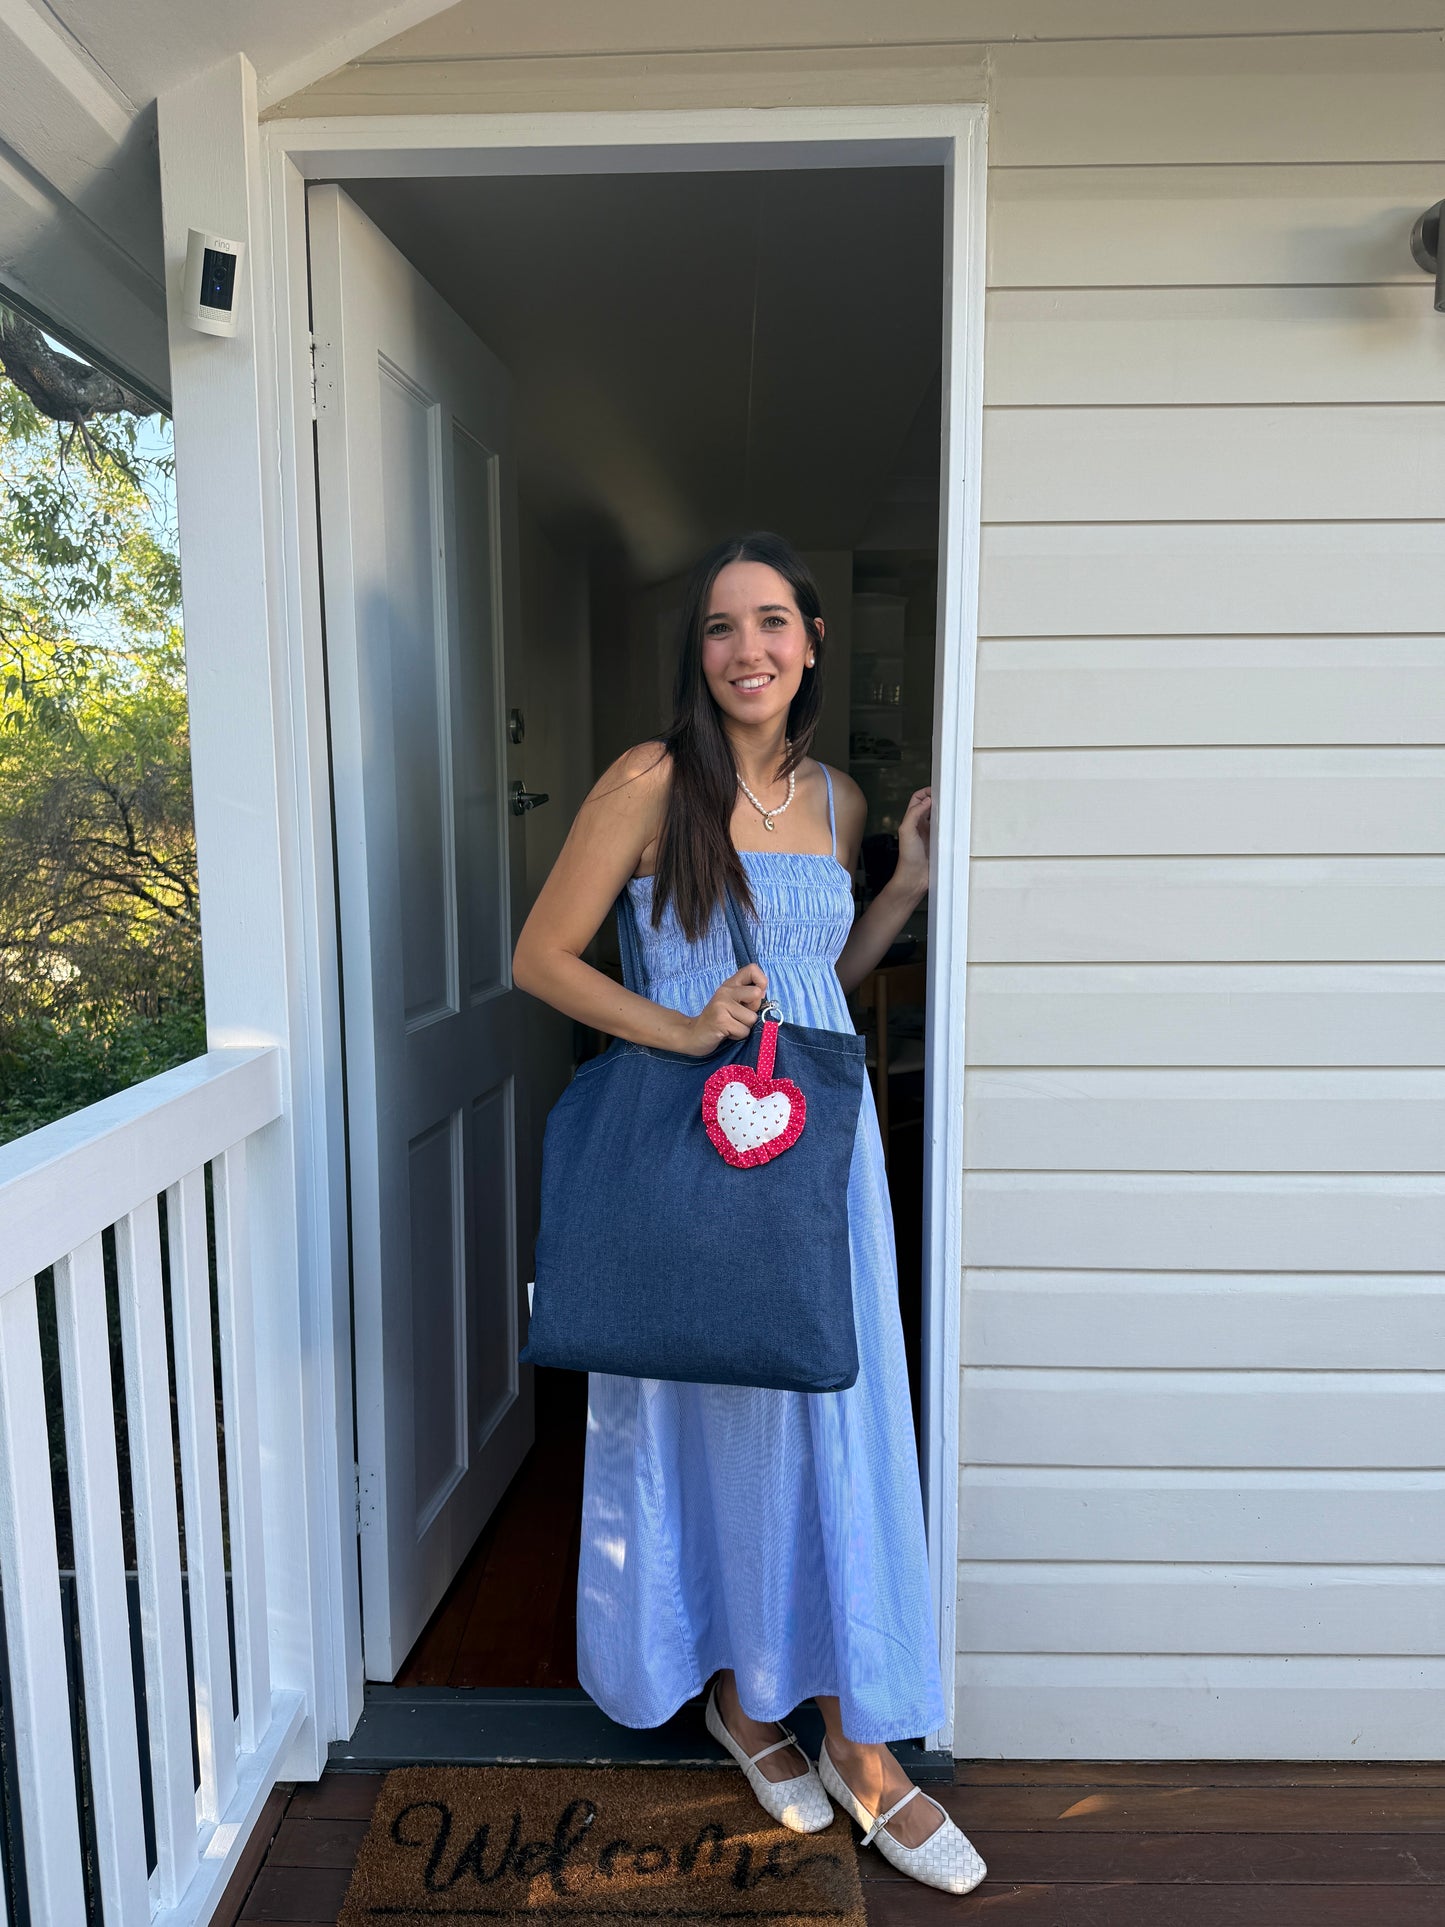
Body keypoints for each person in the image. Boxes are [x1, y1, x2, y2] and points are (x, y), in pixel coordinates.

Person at [513, 531, 986, 1897]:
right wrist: (676, 1025)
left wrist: (898, 884)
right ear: (697, 653)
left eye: (771, 622)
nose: (747, 651)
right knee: (715, 1424)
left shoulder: (836, 801)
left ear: (814, 638)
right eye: (720, 628)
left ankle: (862, 1742)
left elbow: (816, 982)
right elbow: (539, 959)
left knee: (831, 1427)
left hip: (817, 1160)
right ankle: (744, 1700)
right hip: (695, 1161)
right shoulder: (650, 782)